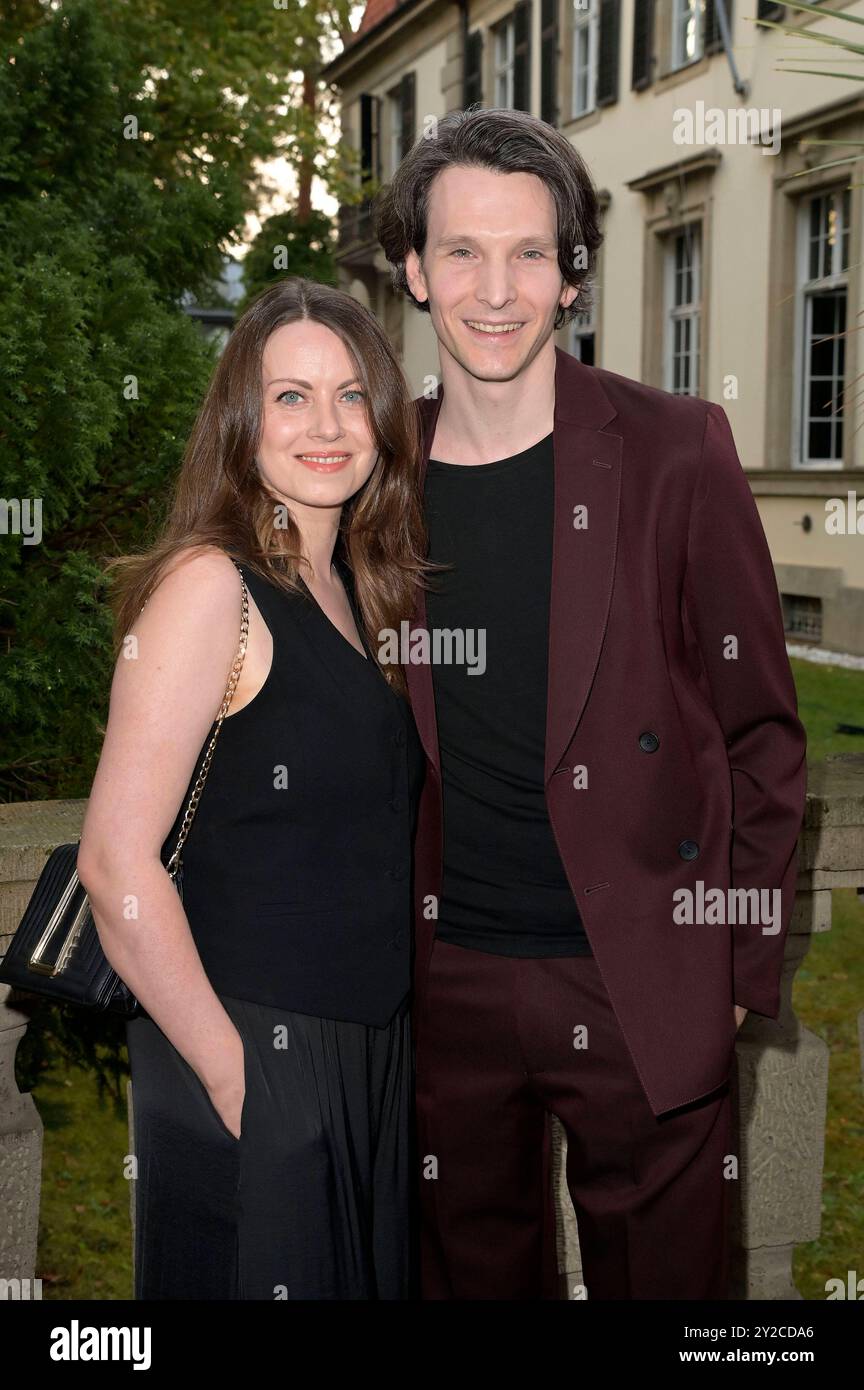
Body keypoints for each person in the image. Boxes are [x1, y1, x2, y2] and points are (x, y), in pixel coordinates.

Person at [373, 106, 808, 1300]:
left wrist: (732, 969)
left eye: (530, 253)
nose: (495, 289)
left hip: (641, 974)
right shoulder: (372, 476)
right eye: (461, 251)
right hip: (446, 981)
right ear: (414, 271)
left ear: (572, 276)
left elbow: (766, 735)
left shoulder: (677, 450)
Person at [77, 277, 429, 1299]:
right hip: (253, 1047)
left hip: (365, 1053)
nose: (326, 424)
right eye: (290, 396)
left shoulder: (357, 590)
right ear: (242, 421)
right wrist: (240, 1078)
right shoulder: (210, 587)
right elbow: (115, 862)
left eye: (351, 395)